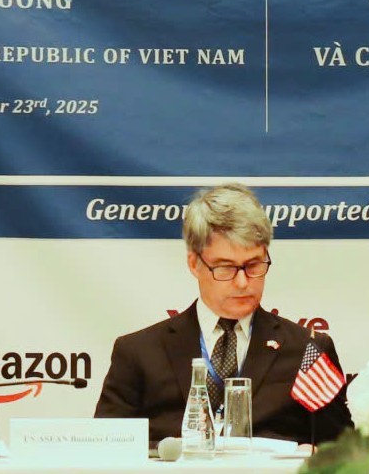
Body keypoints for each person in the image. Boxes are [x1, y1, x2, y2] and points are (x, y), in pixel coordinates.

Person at [95, 183, 352, 445]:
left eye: (253, 265)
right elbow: (106, 449)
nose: (242, 282)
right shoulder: (138, 352)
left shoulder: (308, 350)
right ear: (194, 264)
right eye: (225, 268)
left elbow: (345, 452)